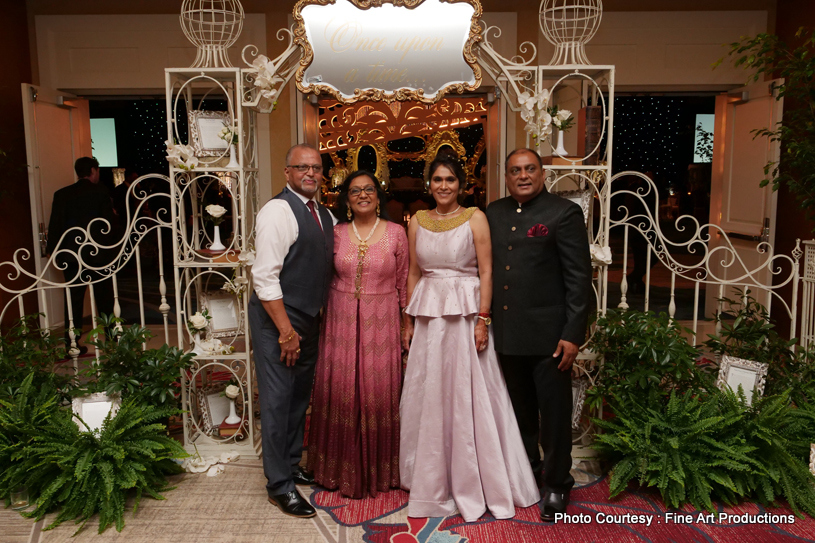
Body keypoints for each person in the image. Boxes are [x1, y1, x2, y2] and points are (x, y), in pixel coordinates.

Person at [399, 155, 540, 522]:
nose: (443, 186)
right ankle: (431, 475)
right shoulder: (417, 221)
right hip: (429, 318)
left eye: (450, 180)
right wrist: (408, 319)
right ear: (428, 184)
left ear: (461, 185)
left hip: (465, 316)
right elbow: (414, 272)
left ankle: (477, 474)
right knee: (430, 392)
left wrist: (483, 319)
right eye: (437, 180)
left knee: (468, 391)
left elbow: (488, 270)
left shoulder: (476, 217)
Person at [486, 148, 592, 522]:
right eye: (515, 170)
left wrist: (573, 333)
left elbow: (580, 279)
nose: (523, 176)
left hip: (551, 339)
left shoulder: (563, 213)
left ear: (543, 173)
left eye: (530, 169)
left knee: (555, 414)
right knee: (519, 413)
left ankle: (558, 485)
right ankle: (526, 474)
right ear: (507, 176)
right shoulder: (492, 213)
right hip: (507, 334)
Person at [307, 170, 409, 499]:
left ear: (379, 196)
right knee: (341, 392)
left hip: (383, 324)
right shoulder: (334, 233)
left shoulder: (396, 233)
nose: (363, 195)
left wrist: (408, 325)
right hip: (339, 324)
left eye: (369, 190)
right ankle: (332, 469)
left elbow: (405, 283)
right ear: (346, 199)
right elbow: (318, 276)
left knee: (380, 394)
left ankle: (381, 472)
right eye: (355, 191)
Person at [248, 143, 335, 518]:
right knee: (278, 400)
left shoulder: (325, 214)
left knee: (299, 397)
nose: (310, 173)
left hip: (308, 319)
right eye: (302, 167)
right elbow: (264, 277)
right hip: (279, 321)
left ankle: (290, 462)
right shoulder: (277, 211)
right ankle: (278, 485)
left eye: (316, 167)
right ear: (287, 173)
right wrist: (286, 331)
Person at [46, 156, 117, 355]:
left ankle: (72, 344)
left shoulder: (61, 194)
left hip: (71, 256)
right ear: (93, 171)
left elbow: (55, 227)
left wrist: (56, 254)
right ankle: (112, 341)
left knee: (73, 301)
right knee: (105, 300)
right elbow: (107, 225)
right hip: (98, 255)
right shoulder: (101, 192)